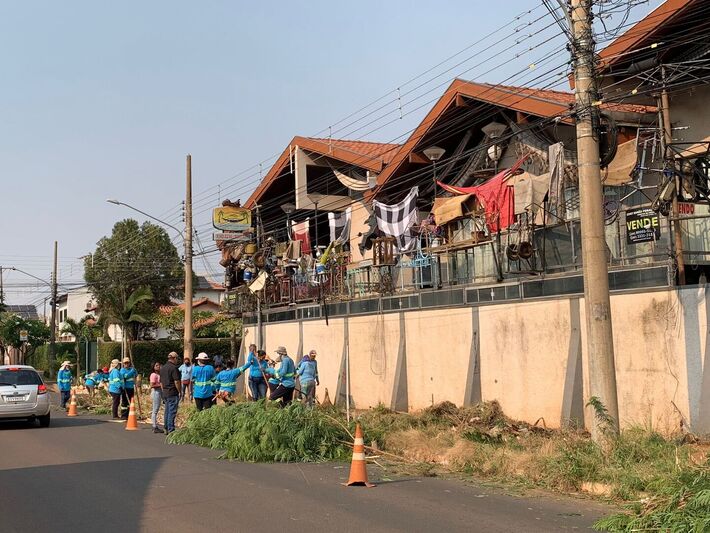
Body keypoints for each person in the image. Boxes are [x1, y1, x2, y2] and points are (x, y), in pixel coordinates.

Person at [160, 352, 182, 435]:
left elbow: (161, 382)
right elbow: (177, 381)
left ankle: (165, 427)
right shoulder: (174, 368)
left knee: (167, 411)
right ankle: (171, 429)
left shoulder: (163, 368)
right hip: (172, 392)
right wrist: (180, 391)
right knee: (172, 411)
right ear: (174, 358)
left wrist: (163, 390)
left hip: (165, 392)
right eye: (177, 359)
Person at [149, 361, 162, 433]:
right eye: (156, 365)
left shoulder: (158, 374)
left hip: (159, 392)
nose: (158, 366)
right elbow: (152, 385)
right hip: (156, 392)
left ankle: (155, 425)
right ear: (153, 367)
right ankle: (154, 426)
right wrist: (160, 385)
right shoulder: (153, 375)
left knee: (156, 408)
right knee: (155, 410)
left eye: (159, 365)